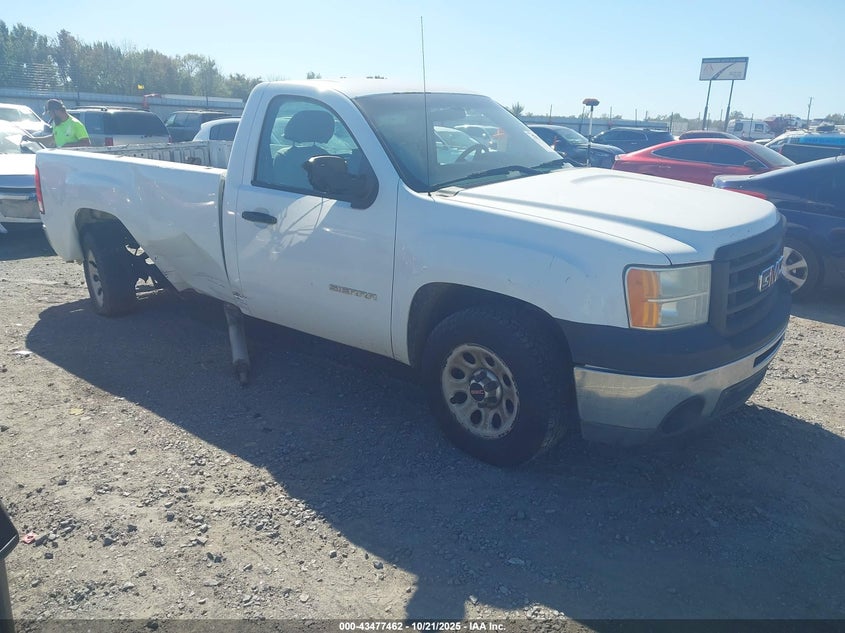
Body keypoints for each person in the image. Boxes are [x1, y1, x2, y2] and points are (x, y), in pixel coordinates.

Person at [25, 99, 90, 148]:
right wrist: (32, 139)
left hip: (72, 158)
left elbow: (86, 143)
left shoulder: (75, 124)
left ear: (56, 111)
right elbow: (53, 138)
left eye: (50, 113)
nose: (50, 116)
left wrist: (68, 146)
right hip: (60, 157)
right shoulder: (56, 122)